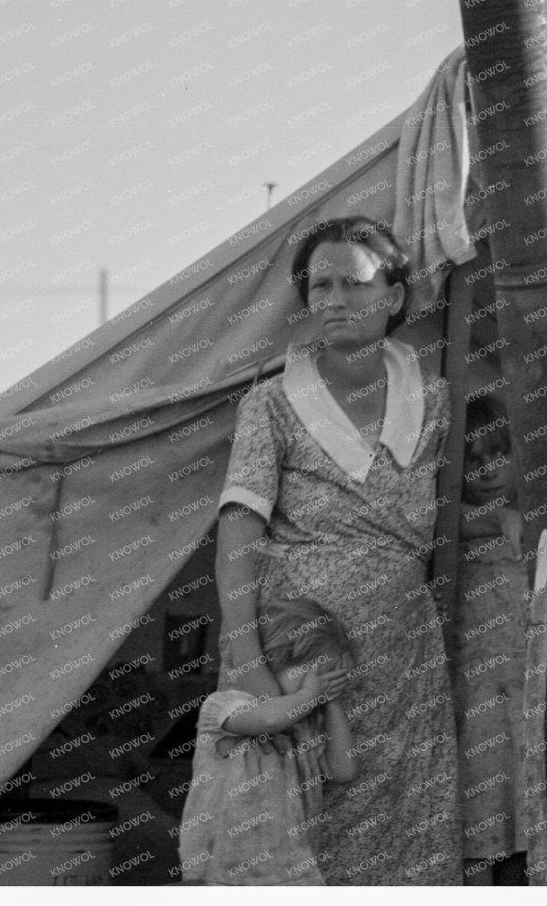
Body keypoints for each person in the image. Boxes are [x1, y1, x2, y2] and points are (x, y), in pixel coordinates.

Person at [213, 216, 460, 884]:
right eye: (319, 285)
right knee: (300, 825)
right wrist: (247, 658)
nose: (332, 299)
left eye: (353, 283)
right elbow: (238, 531)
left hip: (404, 655)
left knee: (407, 823)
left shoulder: (437, 402)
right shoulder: (272, 403)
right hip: (298, 652)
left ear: (396, 296)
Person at [178, 598, 360, 884]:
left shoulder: (307, 727)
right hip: (219, 870)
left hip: (290, 871)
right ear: (274, 658)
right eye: (314, 672)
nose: (320, 683)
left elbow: (344, 770)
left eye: (328, 677)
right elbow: (269, 720)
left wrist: (332, 703)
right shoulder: (223, 705)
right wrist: (310, 694)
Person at [451, 392, 529, 883]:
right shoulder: (452, 518)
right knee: (477, 782)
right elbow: (452, 522)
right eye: (473, 460)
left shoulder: (537, 514)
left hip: (522, 677)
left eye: (499, 454)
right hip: (473, 680)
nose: (487, 469)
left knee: (523, 789)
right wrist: (498, 520)